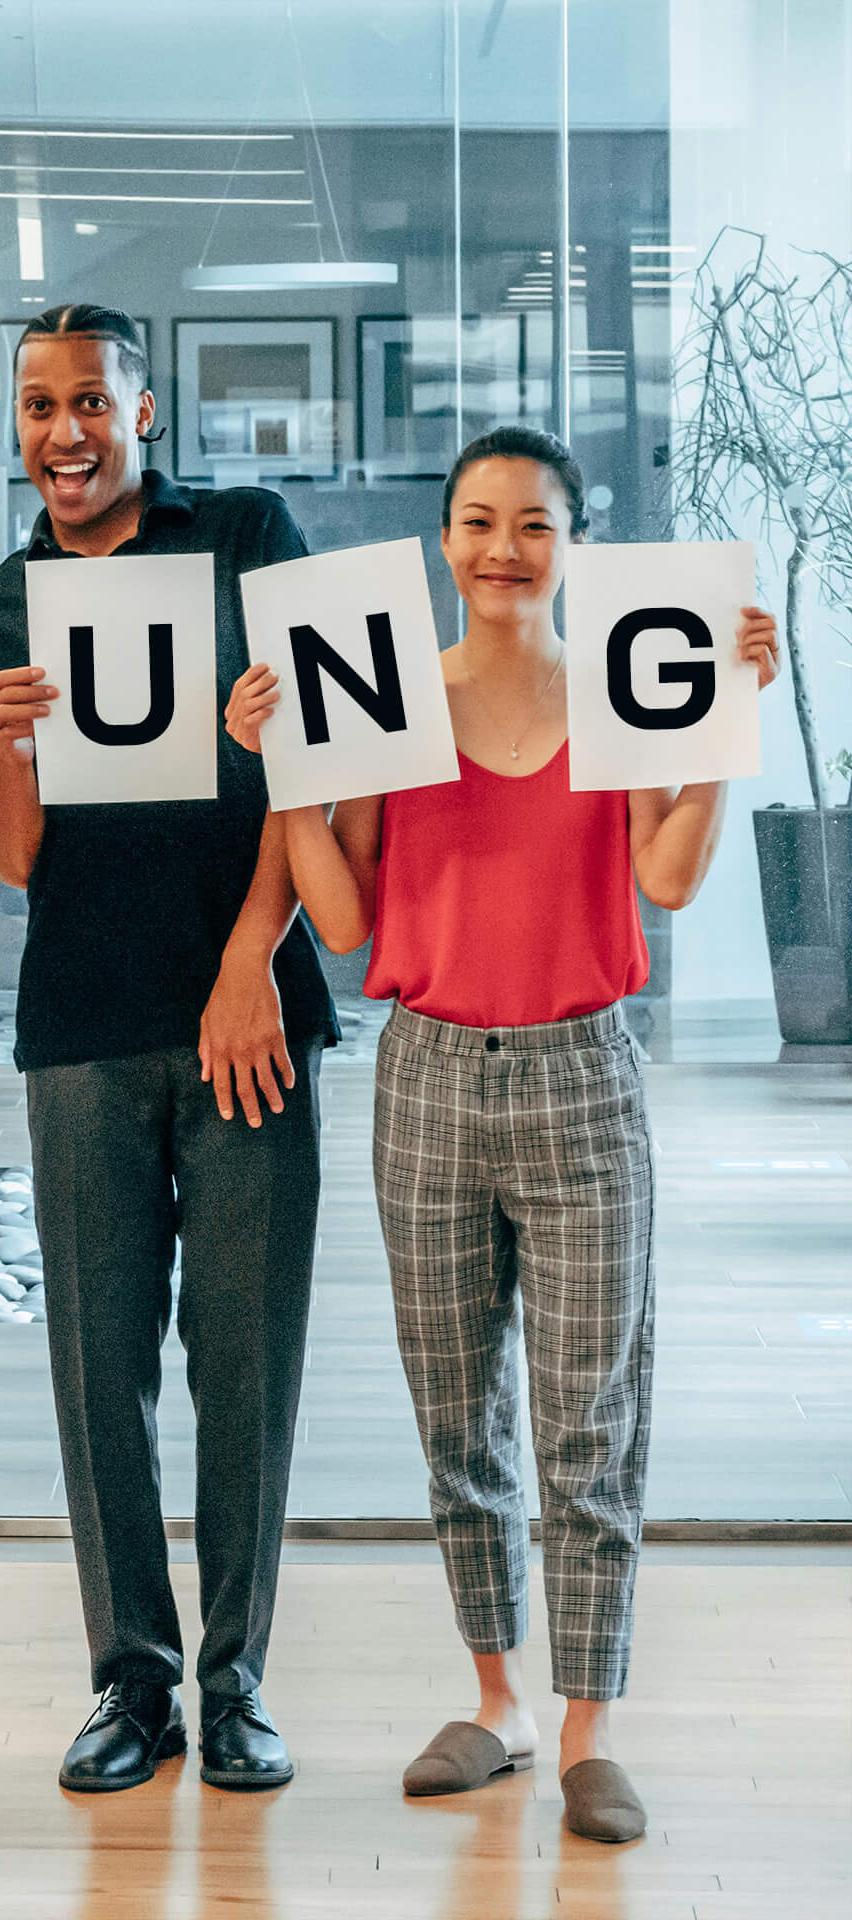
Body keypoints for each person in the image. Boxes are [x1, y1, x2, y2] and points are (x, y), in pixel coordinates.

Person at [223, 426, 778, 1844]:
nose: (501, 549)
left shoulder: (628, 692)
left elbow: (665, 873)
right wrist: (286, 767)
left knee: (591, 1415)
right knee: (457, 1412)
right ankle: (498, 1701)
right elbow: (342, 922)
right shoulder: (385, 706)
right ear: (444, 540)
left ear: (571, 543)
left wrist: (723, 732)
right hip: (428, 1078)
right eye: (476, 521)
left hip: (583, 1074)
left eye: (533, 525)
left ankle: (590, 1724)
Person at [0, 303, 337, 1794]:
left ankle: (236, 1680)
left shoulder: (246, 536)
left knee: (244, 1363)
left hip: (250, 1018)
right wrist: (10, 750)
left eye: (92, 402)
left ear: (145, 412)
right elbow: (20, 858)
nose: (66, 433)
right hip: (85, 1025)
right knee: (99, 1370)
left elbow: (319, 762)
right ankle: (133, 1682)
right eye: (40, 407)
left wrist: (253, 961)